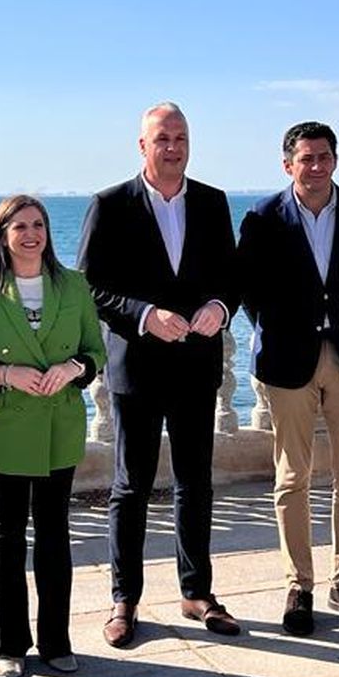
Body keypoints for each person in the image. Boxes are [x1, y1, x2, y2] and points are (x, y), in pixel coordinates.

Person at [77, 102, 242, 647]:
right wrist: (146, 314)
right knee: (131, 486)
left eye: (181, 137)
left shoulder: (213, 202)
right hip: (137, 367)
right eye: (163, 138)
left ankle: (197, 592)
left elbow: (231, 278)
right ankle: (124, 600)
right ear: (142, 146)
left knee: (197, 483)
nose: (173, 147)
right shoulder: (110, 204)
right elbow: (89, 286)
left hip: (197, 365)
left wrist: (220, 306)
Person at [238, 122, 339, 635]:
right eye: (307, 158)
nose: (317, 166)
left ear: (336, 160)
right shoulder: (262, 217)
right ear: (288, 165)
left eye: (324, 156)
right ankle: (298, 585)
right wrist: (281, 328)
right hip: (288, 360)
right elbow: (251, 290)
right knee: (292, 478)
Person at [0, 195, 105, 677]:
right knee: (7, 537)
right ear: (2, 235)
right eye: (19, 226)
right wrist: (6, 374)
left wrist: (72, 368)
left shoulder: (74, 284)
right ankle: (10, 645)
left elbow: (95, 351)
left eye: (38, 224)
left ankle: (57, 642)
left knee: (55, 535)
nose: (31, 234)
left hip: (60, 424)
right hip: (6, 426)